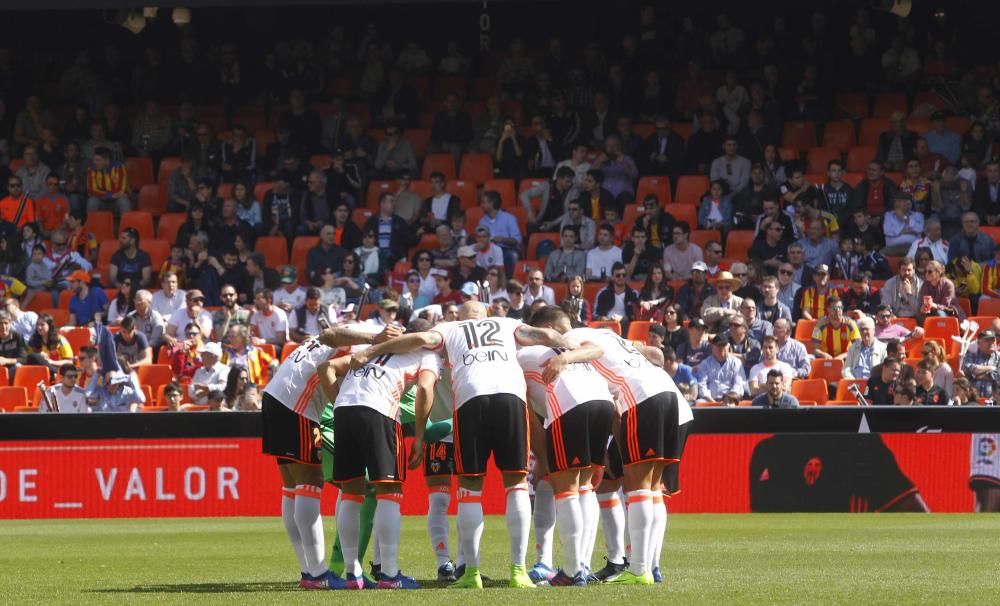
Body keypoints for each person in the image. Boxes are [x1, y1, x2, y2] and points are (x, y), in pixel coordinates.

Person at [348, 301, 573, 589]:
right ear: (486, 314)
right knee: (516, 484)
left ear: (461, 316)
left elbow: (419, 339)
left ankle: (471, 573)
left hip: (470, 400)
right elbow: (547, 335)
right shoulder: (506, 323)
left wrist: (370, 350)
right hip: (511, 397)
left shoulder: (449, 328)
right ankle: (519, 571)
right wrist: (571, 348)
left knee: (469, 488)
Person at [526, 305, 691, 585]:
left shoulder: (573, 338)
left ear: (550, 330)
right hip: (669, 395)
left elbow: (595, 353)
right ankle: (650, 566)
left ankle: (638, 570)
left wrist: (564, 357)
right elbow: (655, 354)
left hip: (640, 397)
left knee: (638, 485)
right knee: (653, 488)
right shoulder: (607, 334)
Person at [478, 190, 522, 273]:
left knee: (512, 255)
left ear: (492, 203)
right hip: (490, 250)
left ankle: (509, 280)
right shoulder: (482, 221)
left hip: (507, 249)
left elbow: (517, 240)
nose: (481, 205)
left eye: (483, 202)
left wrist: (503, 240)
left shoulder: (509, 218)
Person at [697, 333, 747, 402]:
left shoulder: (736, 363)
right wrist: (712, 401)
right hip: (710, 400)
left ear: (728, 346)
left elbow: (739, 385)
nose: (721, 348)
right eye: (718, 345)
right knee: (699, 402)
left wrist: (728, 400)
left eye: (724, 345)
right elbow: (702, 386)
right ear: (712, 347)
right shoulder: (705, 364)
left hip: (731, 401)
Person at [811, 297, 860, 361]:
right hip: (826, 360)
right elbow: (815, 350)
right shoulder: (819, 325)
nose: (838, 310)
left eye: (840, 307)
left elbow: (857, 348)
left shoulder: (851, 324)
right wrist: (824, 355)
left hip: (846, 359)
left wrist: (842, 356)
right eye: (834, 308)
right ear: (828, 309)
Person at [86, 146, 129, 215]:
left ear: (106, 160)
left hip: (116, 202)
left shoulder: (118, 167)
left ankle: (128, 222)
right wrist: (109, 195)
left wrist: (103, 194)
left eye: (97, 160)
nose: (94, 162)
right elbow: (91, 190)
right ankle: (92, 222)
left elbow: (120, 189)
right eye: (94, 160)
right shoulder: (92, 169)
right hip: (101, 201)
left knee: (124, 201)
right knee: (92, 201)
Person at [963, 330, 1000, 397]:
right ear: (979, 343)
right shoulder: (971, 356)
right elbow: (968, 368)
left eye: (993, 340)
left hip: (994, 399)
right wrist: (991, 368)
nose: (991, 342)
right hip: (973, 399)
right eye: (987, 340)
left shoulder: (998, 357)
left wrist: (977, 375)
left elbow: (998, 374)